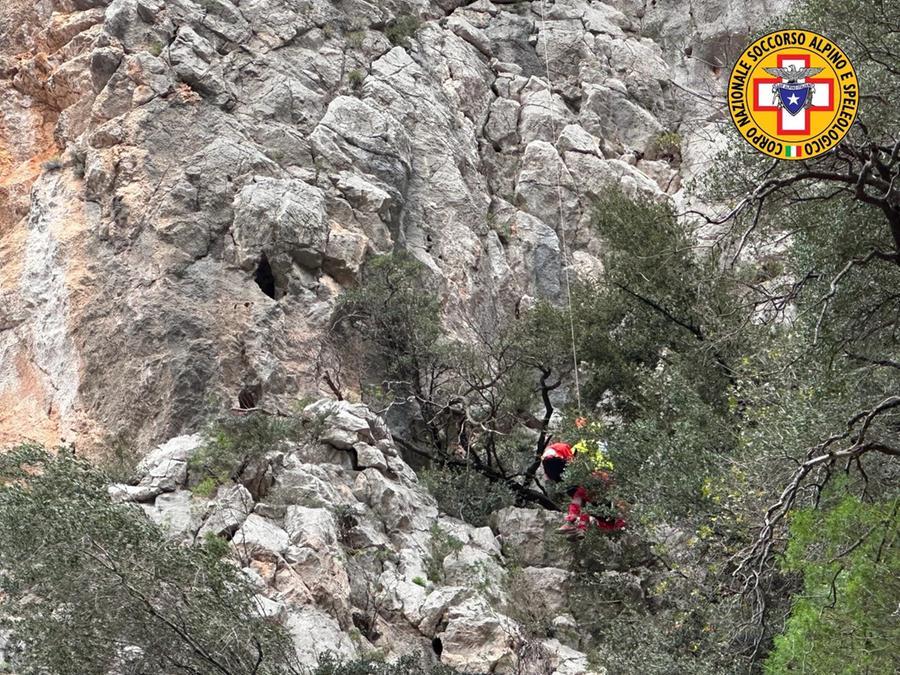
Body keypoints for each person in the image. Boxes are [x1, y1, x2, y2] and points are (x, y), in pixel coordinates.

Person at [541, 421, 626, 535]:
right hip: (606, 475)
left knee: (580, 496)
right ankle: (583, 527)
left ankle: (574, 523)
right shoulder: (604, 443)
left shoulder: (583, 444)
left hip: (596, 474)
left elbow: (572, 460)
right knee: (587, 499)